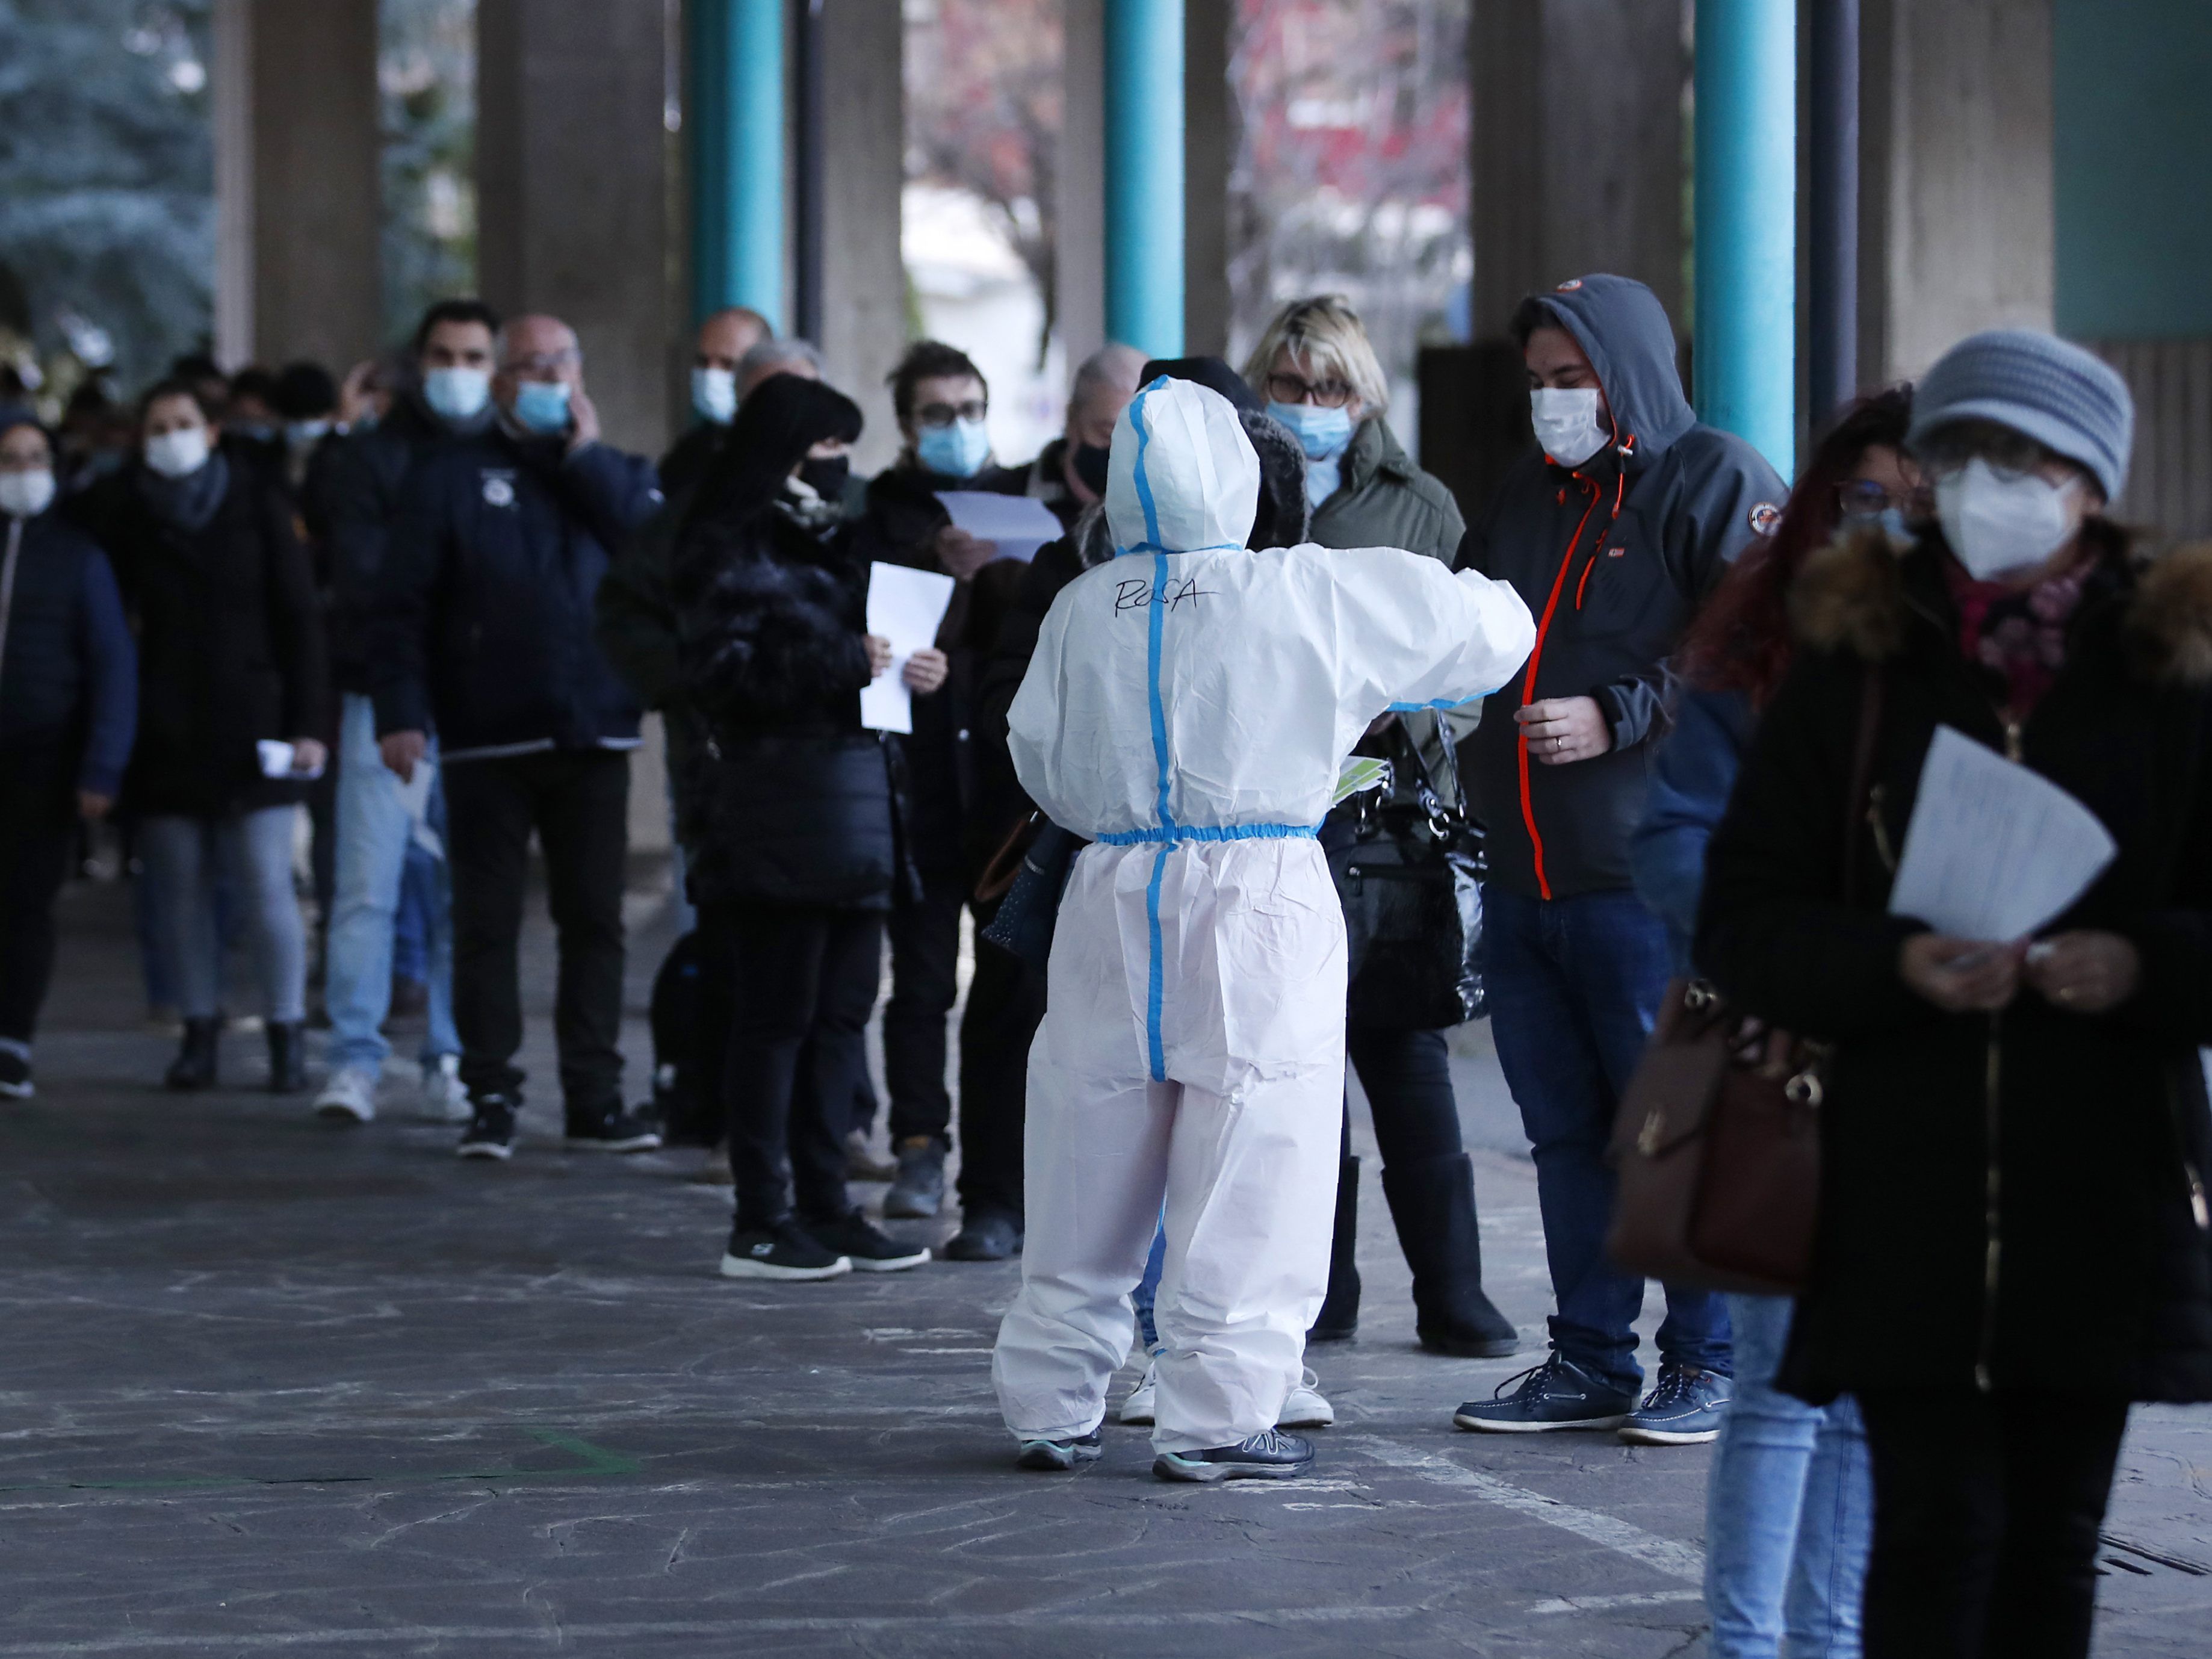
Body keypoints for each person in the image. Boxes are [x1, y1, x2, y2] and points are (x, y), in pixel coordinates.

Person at [1699, 331, 2212, 1658]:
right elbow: (1743, 919)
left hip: (2096, 1186)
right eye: (1961, 456)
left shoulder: (2173, 667)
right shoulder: (1852, 656)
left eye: (2022, 461)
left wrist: (2142, 963)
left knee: (2050, 1553)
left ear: (2088, 484)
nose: (1986, 487)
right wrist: (1895, 965)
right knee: (1927, 1547)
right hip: (1898, 1192)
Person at [991, 375, 1535, 1483]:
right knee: (1256, 1156)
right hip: (1260, 896)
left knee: (1083, 1161)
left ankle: (1049, 1400)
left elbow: (1036, 756)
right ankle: (1220, 1415)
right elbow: (1492, 630)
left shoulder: (1083, 605)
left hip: (1109, 894)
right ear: (1242, 476)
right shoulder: (1306, 589)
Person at [1451, 273, 1785, 1444]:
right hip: (1529, 875)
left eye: (1572, 379)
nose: (1551, 401)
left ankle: (1706, 1359)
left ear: (1627, 370)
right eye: (1537, 382)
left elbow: (1758, 653)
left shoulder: (1717, 481)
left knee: (1673, 1121)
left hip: (1650, 881)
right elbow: (1464, 615)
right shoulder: (1527, 495)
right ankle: (1588, 1356)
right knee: (1563, 1130)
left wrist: (1620, 712)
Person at [1631, 388, 1915, 1658]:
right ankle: (1746, 1642)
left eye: (1918, 506)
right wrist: (1783, 942)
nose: (1891, 529)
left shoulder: (1973, 653)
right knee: (1780, 1380)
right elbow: (1672, 841)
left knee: (1863, 1394)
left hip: (1918, 1054)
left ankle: (1830, 1637)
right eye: (1867, 500)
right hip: (1778, 1045)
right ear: (1817, 503)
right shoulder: (1754, 642)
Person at [1242, 293, 1514, 1359]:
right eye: (1291, 385)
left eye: (1331, 389)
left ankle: (1453, 1294)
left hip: (1385, 820)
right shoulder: (1235, 495)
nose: (1310, 407)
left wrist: (1413, 709)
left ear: (1366, 398)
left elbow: (1471, 668)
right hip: (1266, 817)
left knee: (1404, 1053)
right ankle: (1325, 1292)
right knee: (1299, 1065)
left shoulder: (1420, 505)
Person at [370, 313, 663, 1159]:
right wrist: (399, 710)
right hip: (485, 739)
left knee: (593, 923)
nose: (544, 381)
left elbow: (656, 561)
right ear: (500, 380)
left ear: (581, 375)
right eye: (528, 367)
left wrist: (585, 460)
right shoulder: (447, 476)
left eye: (558, 366)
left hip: (594, 733)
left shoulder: (615, 473)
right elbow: (401, 608)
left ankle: (595, 1097)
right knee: (487, 923)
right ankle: (490, 1093)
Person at [676, 373, 946, 1278]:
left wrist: (910, 670)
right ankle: (761, 1215)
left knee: (839, 1017)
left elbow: (869, 659)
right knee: (775, 1016)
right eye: (828, 449)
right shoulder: (726, 540)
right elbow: (718, 674)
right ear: (786, 451)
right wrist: (838, 659)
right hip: (776, 813)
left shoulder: (847, 545)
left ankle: (829, 1206)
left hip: (862, 808)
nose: (840, 467)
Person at [92, 380, 328, 1093]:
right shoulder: (127, 515)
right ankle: (199, 1029)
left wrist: (311, 725)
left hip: (255, 726)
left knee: (265, 884)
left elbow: (301, 621)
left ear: (213, 430)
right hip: (164, 733)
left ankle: (287, 1029)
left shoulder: (259, 504)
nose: (171, 436)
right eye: (157, 425)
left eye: (183, 422)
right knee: (179, 890)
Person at [847, 341, 1035, 1221]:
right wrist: (937, 573)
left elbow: (1028, 634)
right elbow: (871, 632)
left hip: (1001, 793)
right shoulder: (878, 515)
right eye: (936, 414)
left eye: (968, 410)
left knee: (1004, 993)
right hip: (914, 785)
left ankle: (1000, 1171)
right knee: (918, 982)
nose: (956, 429)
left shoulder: (1018, 506)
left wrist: (984, 573)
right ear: (906, 425)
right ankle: (919, 1144)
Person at [308, 300, 501, 1127]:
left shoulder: (510, 458)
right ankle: (354, 1058)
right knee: (365, 888)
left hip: (484, 704)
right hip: (382, 696)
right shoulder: (372, 457)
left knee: (471, 893)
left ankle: (449, 1055)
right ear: (418, 362)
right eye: (444, 355)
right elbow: (366, 577)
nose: (458, 371)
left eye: (473, 356)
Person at [0, 413, 136, 1099]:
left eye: (33, 458)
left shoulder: (79, 556)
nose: (22, 472)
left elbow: (113, 664)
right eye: (9, 459)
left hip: (44, 757)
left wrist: (102, 765)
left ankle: (12, 1039)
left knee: (26, 900)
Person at [1024, 343, 1147, 524]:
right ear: (1071, 419)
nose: (1124, 451)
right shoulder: (1003, 497)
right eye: (1108, 434)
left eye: (1139, 438)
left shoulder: (1166, 512)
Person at [659, 306, 775, 498]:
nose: (711, 373)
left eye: (728, 363)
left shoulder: (784, 452)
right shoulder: (691, 451)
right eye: (703, 361)